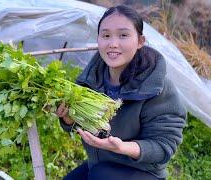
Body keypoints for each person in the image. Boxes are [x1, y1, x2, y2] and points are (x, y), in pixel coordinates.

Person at [56, 5, 187, 180]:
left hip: (143, 172)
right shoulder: (91, 79)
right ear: (98, 39)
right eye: (106, 35)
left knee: (100, 175)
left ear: (140, 41)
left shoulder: (157, 87)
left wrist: (121, 147)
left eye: (123, 35)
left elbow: (164, 146)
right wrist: (69, 119)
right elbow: (85, 124)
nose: (113, 44)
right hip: (100, 164)